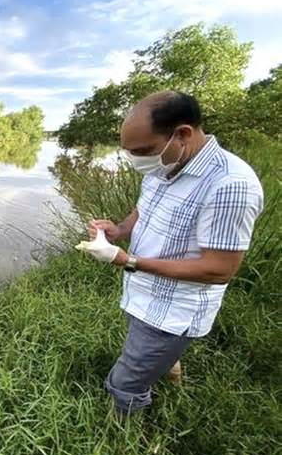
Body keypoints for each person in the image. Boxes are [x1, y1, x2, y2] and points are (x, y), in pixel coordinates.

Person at [78, 91, 264, 416]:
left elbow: (218, 270)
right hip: (143, 295)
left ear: (182, 134)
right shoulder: (166, 163)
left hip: (172, 313)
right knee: (148, 353)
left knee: (124, 383)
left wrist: (126, 261)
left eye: (143, 151)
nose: (137, 161)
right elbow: (145, 208)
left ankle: (128, 445)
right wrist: (120, 230)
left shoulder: (231, 185)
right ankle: (169, 367)